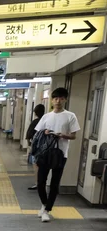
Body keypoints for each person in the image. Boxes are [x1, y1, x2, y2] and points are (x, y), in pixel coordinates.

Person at [35, 88, 80, 222]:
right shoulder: (46, 116)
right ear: (52, 99)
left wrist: (62, 135)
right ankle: (44, 204)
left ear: (65, 99)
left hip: (60, 154)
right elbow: (38, 133)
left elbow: (74, 135)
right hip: (45, 153)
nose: (58, 101)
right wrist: (46, 132)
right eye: (55, 98)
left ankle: (47, 210)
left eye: (61, 98)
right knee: (40, 182)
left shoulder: (70, 116)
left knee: (54, 183)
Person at [25, 104, 45, 190]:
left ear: (35, 112)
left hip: (36, 147)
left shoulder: (35, 122)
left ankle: (38, 183)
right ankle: (43, 182)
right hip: (46, 148)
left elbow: (29, 135)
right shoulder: (46, 121)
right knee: (44, 166)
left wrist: (29, 147)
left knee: (36, 165)